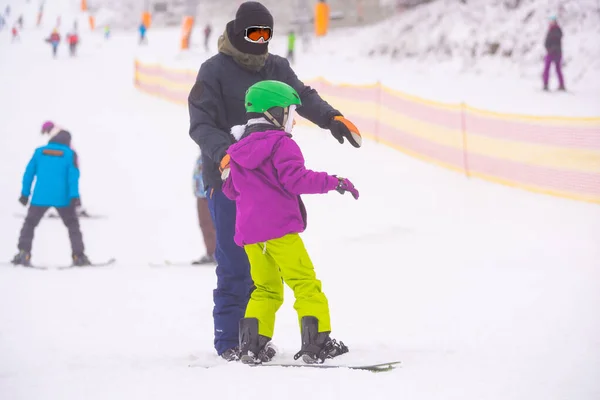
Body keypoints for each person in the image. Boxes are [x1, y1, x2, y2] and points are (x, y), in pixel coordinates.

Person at [188, 1, 362, 361]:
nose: (261, 40)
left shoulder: (277, 66)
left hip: (270, 185)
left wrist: (332, 118)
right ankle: (230, 343)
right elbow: (201, 122)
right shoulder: (214, 70)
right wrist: (224, 154)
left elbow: (302, 97)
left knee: (264, 273)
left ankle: (253, 341)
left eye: (267, 34)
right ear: (238, 32)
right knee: (236, 265)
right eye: (254, 33)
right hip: (228, 179)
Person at [221, 80, 358, 364]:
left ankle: (252, 346)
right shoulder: (282, 145)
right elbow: (296, 179)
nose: (293, 122)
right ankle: (317, 343)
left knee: (266, 287)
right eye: (290, 113)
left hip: (250, 235)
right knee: (305, 283)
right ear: (273, 112)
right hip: (279, 230)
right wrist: (335, 182)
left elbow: (231, 190)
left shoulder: (238, 151)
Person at [11, 121, 91, 267]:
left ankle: (24, 253)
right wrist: (75, 197)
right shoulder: (70, 154)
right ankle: (78, 255)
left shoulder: (39, 151)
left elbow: (29, 173)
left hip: (40, 197)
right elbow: (73, 177)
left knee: (29, 224)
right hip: (63, 198)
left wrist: (25, 194)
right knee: (72, 225)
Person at [192, 154, 216, 265]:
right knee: (204, 224)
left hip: (211, 193)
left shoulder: (214, 154)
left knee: (215, 224)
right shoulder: (201, 157)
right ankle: (210, 253)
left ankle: (217, 254)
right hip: (200, 194)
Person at [543, 15, 565, 91]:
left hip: (555, 53)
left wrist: (550, 48)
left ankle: (561, 85)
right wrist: (547, 47)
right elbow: (547, 41)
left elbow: (555, 39)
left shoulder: (556, 30)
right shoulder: (552, 30)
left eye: (553, 21)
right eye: (551, 21)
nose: (551, 23)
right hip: (552, 52)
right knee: (548, 69)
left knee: (556, 69)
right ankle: (546, 84)